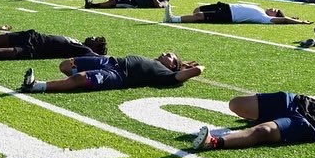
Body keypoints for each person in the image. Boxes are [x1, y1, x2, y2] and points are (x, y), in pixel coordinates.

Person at [19, 52, 203, 93]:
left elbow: (191, 72)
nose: (164, 54)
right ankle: (77, 82)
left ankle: (36, 86)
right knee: (66, 65)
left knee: (79, 77)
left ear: (173, 66)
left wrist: (197, 68)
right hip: (110, 61)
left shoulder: (165, 74)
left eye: (169, 56)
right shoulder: (156, 62)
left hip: (119, 77)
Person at [0, 31, 107, 63]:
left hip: (34, 50)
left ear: (95, 47)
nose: (92, 37)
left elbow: (102, 59)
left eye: (95, 40)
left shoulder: (86, 51)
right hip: (32, 36)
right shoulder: (79, 42)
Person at [163, 2, 311, 25]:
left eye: (276, 11)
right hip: (226, 7)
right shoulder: (260, 9)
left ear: (275, 16)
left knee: (199, 16)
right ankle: (178, 18)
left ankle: (173, 19)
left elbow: (284, 20)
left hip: (229, 16)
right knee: (198, 10)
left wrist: (298, 21)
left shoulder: (265, 18)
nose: (273, 8)